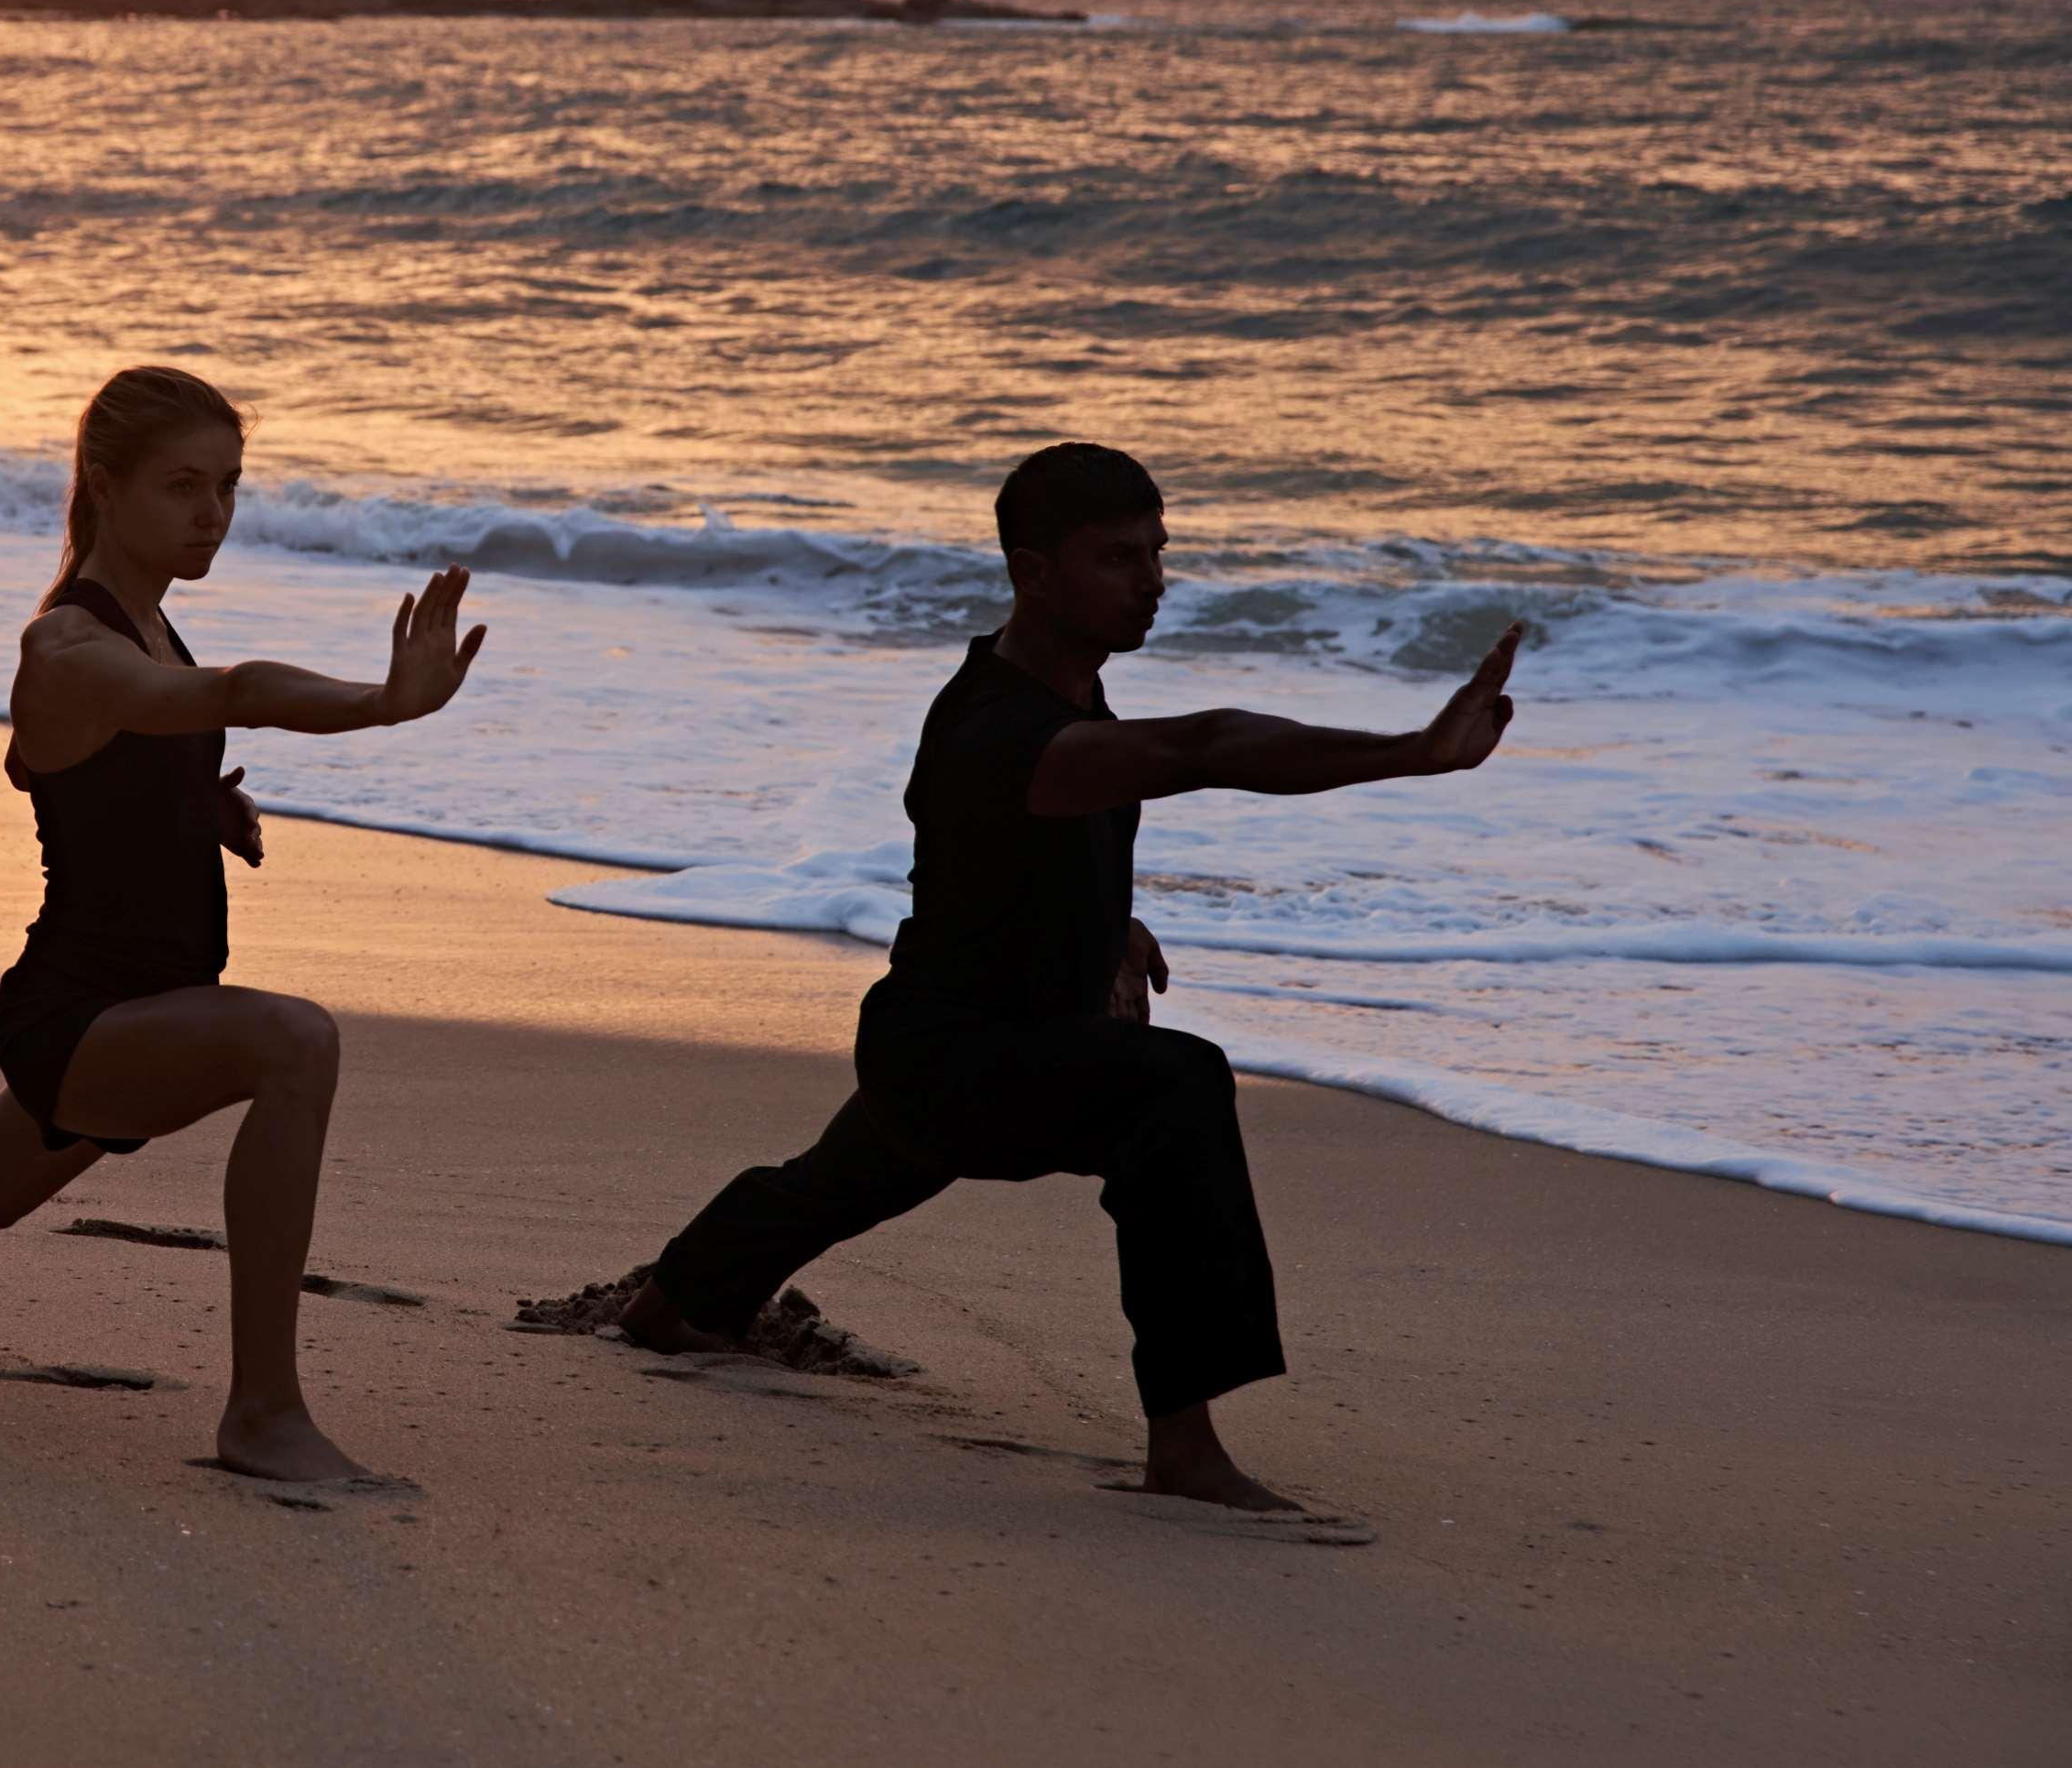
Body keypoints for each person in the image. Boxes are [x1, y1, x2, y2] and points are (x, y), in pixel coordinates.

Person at [619, 442, 1521, 1513]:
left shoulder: (1061, 700)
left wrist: (1112, 925)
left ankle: (672, 1301)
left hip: (949, 1039)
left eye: (1158, 552)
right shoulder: (1004, 727)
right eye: (1117, 557)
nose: (1151, 581)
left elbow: (1003, 858)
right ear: (1033, 572)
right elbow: (1207, 746)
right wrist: (1409, 749)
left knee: (837, 1181)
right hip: (961, 1055)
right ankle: (1184, 1447)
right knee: (1175, 1086)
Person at [0, 365, 486, 1482]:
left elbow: (80, 758)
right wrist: (377, 701)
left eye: (227, 485)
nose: (211, 513)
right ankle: (263, 1414)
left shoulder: (147, 628)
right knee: (296, 1040)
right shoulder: (66, 646)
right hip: (83, 1015)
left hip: (134, 1001)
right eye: (181, 486)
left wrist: (200, 802)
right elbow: (211, 694)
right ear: (103, 484)